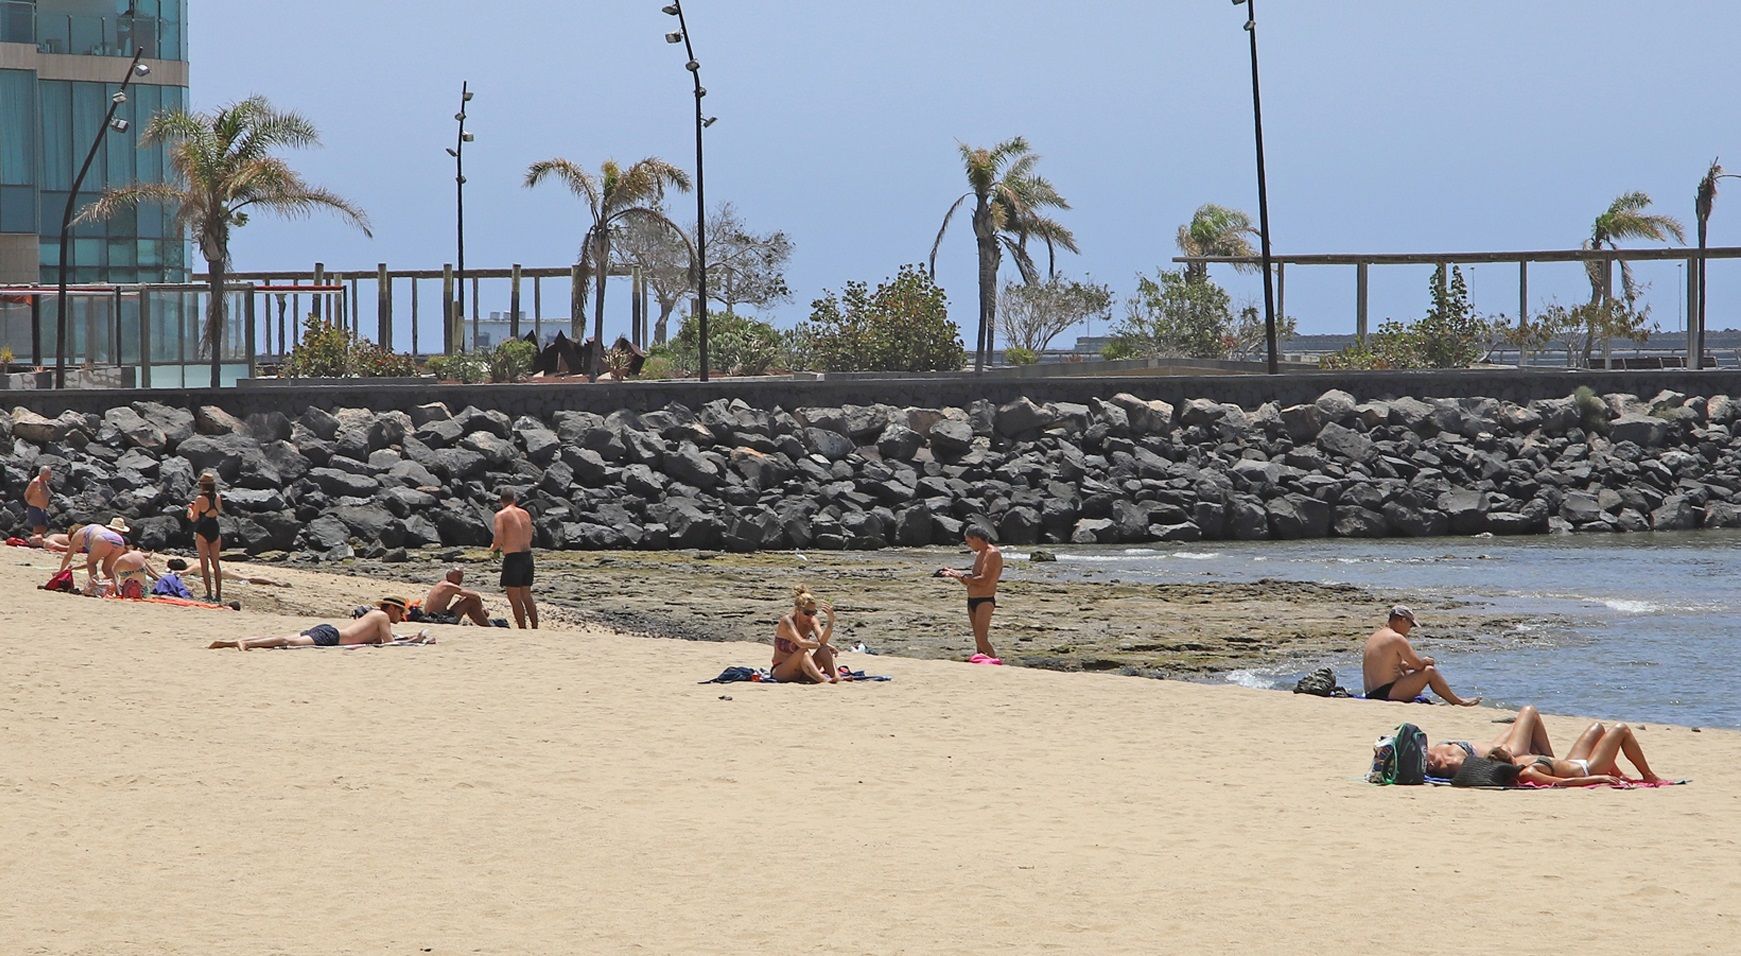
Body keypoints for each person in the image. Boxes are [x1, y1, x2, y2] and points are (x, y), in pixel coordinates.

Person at [209, 596, 430, 650]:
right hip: (332, 637)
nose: (399, 617)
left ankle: (235, 642)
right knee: (289, 641)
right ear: (391, 608)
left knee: (288, 637)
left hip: (330, 631)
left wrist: (414, 638)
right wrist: (417, 643)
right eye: (399, 612)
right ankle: (246, 644)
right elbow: (389, 644)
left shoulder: (373, 614)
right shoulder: (381, 617)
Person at [1361, 605, 1480, 706]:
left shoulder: (1376, 636)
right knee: (1429, 671)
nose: (1409, 629)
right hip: (1386, 693)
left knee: (1406, 671)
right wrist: (1426, 661)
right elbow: (1418, 665)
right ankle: (1458, 702)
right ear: (1402, 620)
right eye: (1410, 625)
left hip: (1371, 693)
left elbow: (1396, 665)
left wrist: (1411, 667)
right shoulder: (1397, 638)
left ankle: (1438, 698)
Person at [1426, 704, 1555, 777]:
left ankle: (1547, 760)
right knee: (1529, 711)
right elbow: (1485, 768)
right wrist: (1506, 753)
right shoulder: (1452, 762)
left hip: (1495, 746)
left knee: (1520, 723)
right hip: (1506, 752)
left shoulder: (1431, 754)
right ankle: (1552, 761)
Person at [936, 524, 1003, 659]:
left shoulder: (993, 554)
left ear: (977, 538)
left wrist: (961, 576)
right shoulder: (980, 554)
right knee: (977, 640)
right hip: (972, 599)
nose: (968, 545)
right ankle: (981, 663)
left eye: (968, 541)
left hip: (984, 600)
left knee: (981, 638)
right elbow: (972, 580)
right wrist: (955, 575)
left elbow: (984, 580)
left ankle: (995, 663)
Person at [490, 489, 538, 629]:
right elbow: (529, 536)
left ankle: (522, 628)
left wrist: (493, 549)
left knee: (514, 597)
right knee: (526, 595)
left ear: (501, 501)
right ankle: (534, 626)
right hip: (527, 556)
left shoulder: (501, 515)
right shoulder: (525, 513)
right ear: (514, 500)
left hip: (513, 557)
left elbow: (498, 539)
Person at [772, 587, 839, 684]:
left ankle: (837, 677)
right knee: (803, 650)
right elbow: (801, 643)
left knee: (824, 650)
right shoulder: (787, 621)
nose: (810, 616)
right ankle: (823, 680)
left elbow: (822, 640)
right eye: (807, 613)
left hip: (802, 670)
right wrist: (822, 644)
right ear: (798, 610)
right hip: (782, 670)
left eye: (813, 613)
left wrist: (830, 622)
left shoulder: (812, 621)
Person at [59, 518, 130, 593]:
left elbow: (68, 556)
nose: (80, 546)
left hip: (103, 538)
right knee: (107, 569)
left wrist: (60, 571)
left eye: (79, 544)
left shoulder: (78, 534)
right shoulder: (95, 529)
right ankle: (118, 591)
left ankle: (95, 588)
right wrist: (74, 568)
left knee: (92, 563)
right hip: (120, 541)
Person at [187, 473, 223, 602]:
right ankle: (218, 594)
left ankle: (208, 593)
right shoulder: (218, 497)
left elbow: (194, 518)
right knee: (216, 564)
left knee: (204, 563)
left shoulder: (200, 498)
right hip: (215, 527)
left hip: (203, 529)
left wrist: (190, 509)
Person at [423, 566, 490, 626]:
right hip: (440, 618)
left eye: (461, 576)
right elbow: (476, 596)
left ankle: (481, 621)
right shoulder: (449, 586)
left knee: (467, 599)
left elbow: (465, 596)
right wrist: (482, 607)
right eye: (459, 576)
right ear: (451, 576)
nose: (461, 579)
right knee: (470, 600)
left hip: (431, 615)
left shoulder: (441, 584)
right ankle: (486, 625)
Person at [24, 465, 51, 536]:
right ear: (42, 473)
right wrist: (31, 503)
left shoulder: (44, 482)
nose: (50, 475)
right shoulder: (35, 482)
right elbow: (27, 494)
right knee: (37, 527)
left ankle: (39, 541)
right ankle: (35, 542)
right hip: (35, 507)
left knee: (44, 526)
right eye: (48, 473)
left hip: (43, 508)